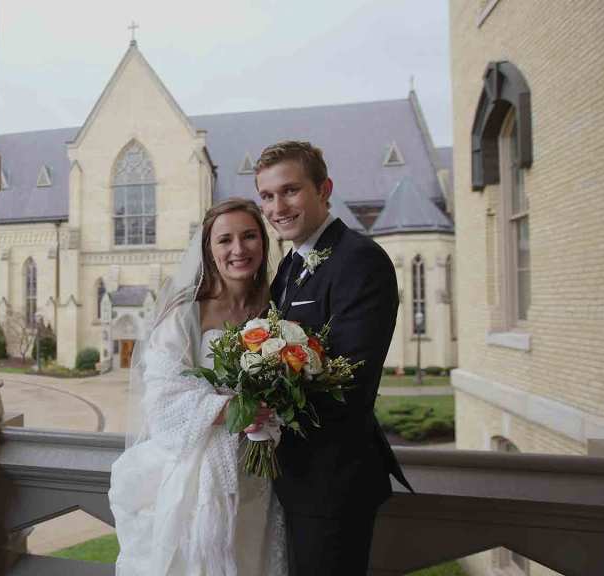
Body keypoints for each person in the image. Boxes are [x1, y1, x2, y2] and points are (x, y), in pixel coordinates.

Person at [255, 141, 412, 575]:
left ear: (324, 189)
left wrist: (267, 410)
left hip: (332, 483)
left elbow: (351, 384)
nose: (277, 206)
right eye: (267, 196)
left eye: (290, 190)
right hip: (289, 481)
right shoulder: (289, 266)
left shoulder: (360, 260)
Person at [109, 198, 287, 576]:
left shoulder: (275, 312)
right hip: (199, 479)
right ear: (209, 250)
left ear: (263, 243)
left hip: (261, 476)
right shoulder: (186, 314)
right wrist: (233, 410)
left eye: (249, 236)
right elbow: (162, 402)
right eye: (225, 240)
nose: (238, 249)